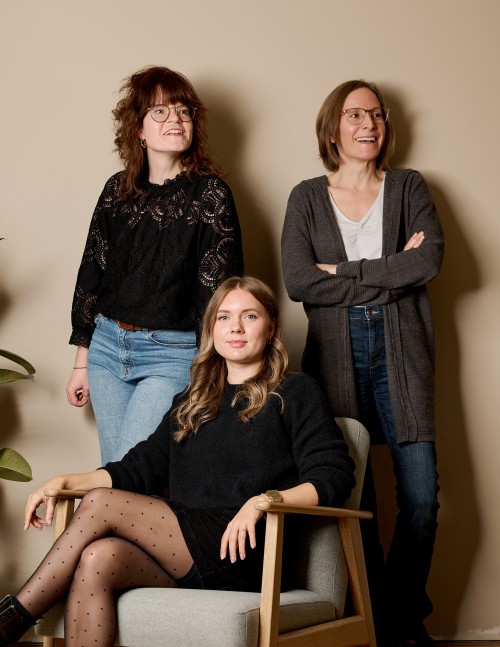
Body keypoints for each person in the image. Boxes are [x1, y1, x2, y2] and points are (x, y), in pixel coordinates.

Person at [0, 276, 355, 647]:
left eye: (249, 316)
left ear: (271, 327)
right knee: (98, 557)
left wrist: (262, 502)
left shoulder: (296, 392)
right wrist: (64, 481)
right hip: (186, 552)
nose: (235, 327)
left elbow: (335, 475)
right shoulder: (191, 401)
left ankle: (12, 619)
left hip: (250, 551)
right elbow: (137, 469)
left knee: (101, 503)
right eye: (223, 317)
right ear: (211, 329)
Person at [281, 80, 444, 647]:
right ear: (333, 128)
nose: (368, 124)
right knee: (356, 501)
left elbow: (428, 260)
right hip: (336, 354)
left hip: (404, 350)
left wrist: (343, 273)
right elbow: (299, 280)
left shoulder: (409, 186)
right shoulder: (306, 196)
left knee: (421, 499)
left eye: (375, 114)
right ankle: (378, 623)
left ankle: (399, 615)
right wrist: (391, 270)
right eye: (354, 115)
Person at [65, 65, 244, 464]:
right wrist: (81, 362)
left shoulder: (211, 195)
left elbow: (218, 296)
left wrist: (211, 372)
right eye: (160, 111)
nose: (175, 119)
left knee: (128, 473)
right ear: (139, 130)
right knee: (114, 473)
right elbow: (92, 275)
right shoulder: (116, 190)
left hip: (170, 354)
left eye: (183, 111)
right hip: (106, 349)